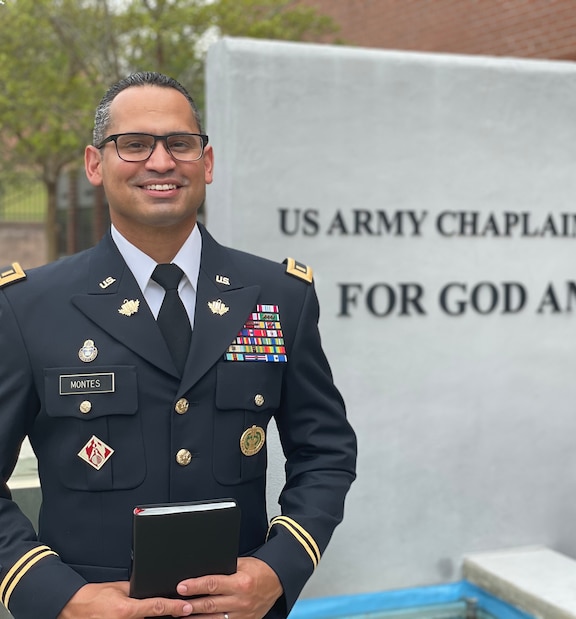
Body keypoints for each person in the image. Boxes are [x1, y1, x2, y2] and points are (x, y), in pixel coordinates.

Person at [0, 72, 357, 619]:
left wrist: (276, 570)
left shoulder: (280, 297)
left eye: (180, 144)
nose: (161, 162)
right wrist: (60, 598)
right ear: (96, 165)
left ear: (206, 163)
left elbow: (325, 452)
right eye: (134, 144)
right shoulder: (27, 308)